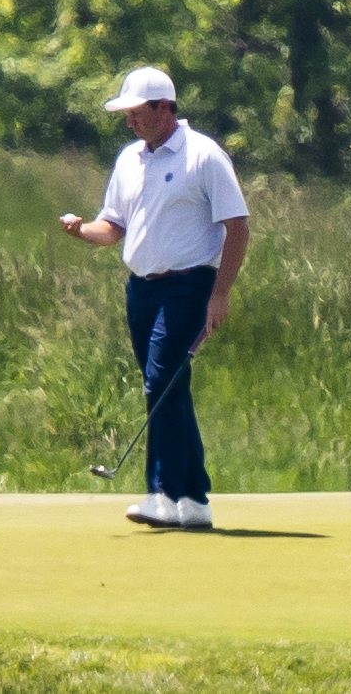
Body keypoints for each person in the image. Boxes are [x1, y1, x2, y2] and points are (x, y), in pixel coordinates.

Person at [59, 67, 249, 529]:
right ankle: (193, 500)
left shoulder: (204, 156)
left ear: (165, 108)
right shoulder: (129, 159)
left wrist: (220, 294)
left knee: (161, 379)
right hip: (141, 287)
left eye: (136, 112)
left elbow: (237, 227)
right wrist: (81, 230)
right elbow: (114, 227)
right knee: (168, 388)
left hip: (190, 285)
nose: (129, 122)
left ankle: (162, 493)